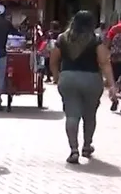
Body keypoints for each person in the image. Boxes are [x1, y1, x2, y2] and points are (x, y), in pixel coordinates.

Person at [49, 10, 117, 164]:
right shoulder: (95, 39)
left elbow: (53, 59)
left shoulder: (62, 38)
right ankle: (87, 145)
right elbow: (104, 62)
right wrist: (111, 84)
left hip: (68, 78)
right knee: (89, 115)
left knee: (72, 115)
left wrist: (56, 76)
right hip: (91, 79)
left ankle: (73, 149)